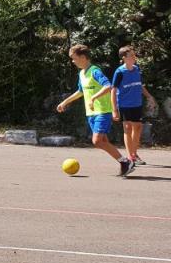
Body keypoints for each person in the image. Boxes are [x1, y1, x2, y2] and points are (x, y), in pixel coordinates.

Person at [57, 44, 133, 177]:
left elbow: (108, 86)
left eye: (74, 59)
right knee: (103, 141)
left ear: (83, 57)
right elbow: (81, 91)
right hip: (91, 113)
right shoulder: (82, 73)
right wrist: (65, 102)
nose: (73, 62)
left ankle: (126, 162)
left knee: (97, 141)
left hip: (102, 111)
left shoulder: (94, 71)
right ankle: (125, 162)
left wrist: (93, 97)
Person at [112, 46, 157, 167]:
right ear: (124, 58)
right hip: (124, 104)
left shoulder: (136, 69)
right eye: (131, 55)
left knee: (137, 127)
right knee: (127, 127)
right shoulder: (120, 72)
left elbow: (140, 85)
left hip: (137, 103)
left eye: (134, 55)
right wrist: (114, 109)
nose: (134, 57)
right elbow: (113, 90)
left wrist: (149, 96)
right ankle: (130, 157)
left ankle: (134, 154)